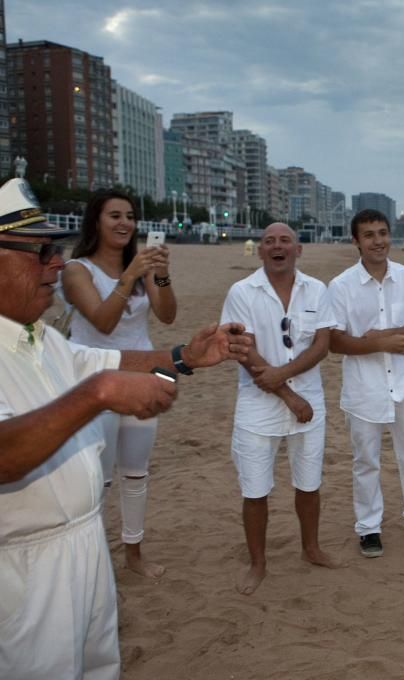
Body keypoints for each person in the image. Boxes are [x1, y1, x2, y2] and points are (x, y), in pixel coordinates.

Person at [0, 177, 250, 680]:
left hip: (86, 551)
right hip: (23, 572)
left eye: (54, 247)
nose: (54, 261)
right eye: (39, 251)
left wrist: (187, 358)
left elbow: (114, 360)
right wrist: (98, 395)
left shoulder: (42, 340)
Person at [60, 189, 176, 579]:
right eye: (114, 216)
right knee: (99, 478)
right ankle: (94, 560)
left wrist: (158, 273)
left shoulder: (141, 268)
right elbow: (103, 321)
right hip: (96, 380)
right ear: (96, 221)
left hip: (142, 376)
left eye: (129, 216)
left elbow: (168, 315)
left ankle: (134, 554)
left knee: (136, 473)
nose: (125, 223)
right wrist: (129, 276)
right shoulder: (77, 271)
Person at [220, 223, 338, 595]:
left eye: (285, 240)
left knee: (309, 483)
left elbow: (322, 344)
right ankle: (258, 563)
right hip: (258, 403)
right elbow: (242, 348)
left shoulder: (317, 289)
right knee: (255, 490)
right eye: (269, 241)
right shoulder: (242, 291)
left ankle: (311, 548)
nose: (277, 246)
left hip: (309, 400)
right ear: (260, 251)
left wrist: (283, 377)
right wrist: (287, 393)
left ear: (298, 250)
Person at [327, 209, 404, 558]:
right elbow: (334, 342)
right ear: (356, 241)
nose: (378, 241)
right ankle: (368, 527)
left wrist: (390, 333)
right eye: (369, 235)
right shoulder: (341, 286)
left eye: (382, 233)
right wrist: (377, 344)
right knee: (366, 460)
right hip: (364, 387)